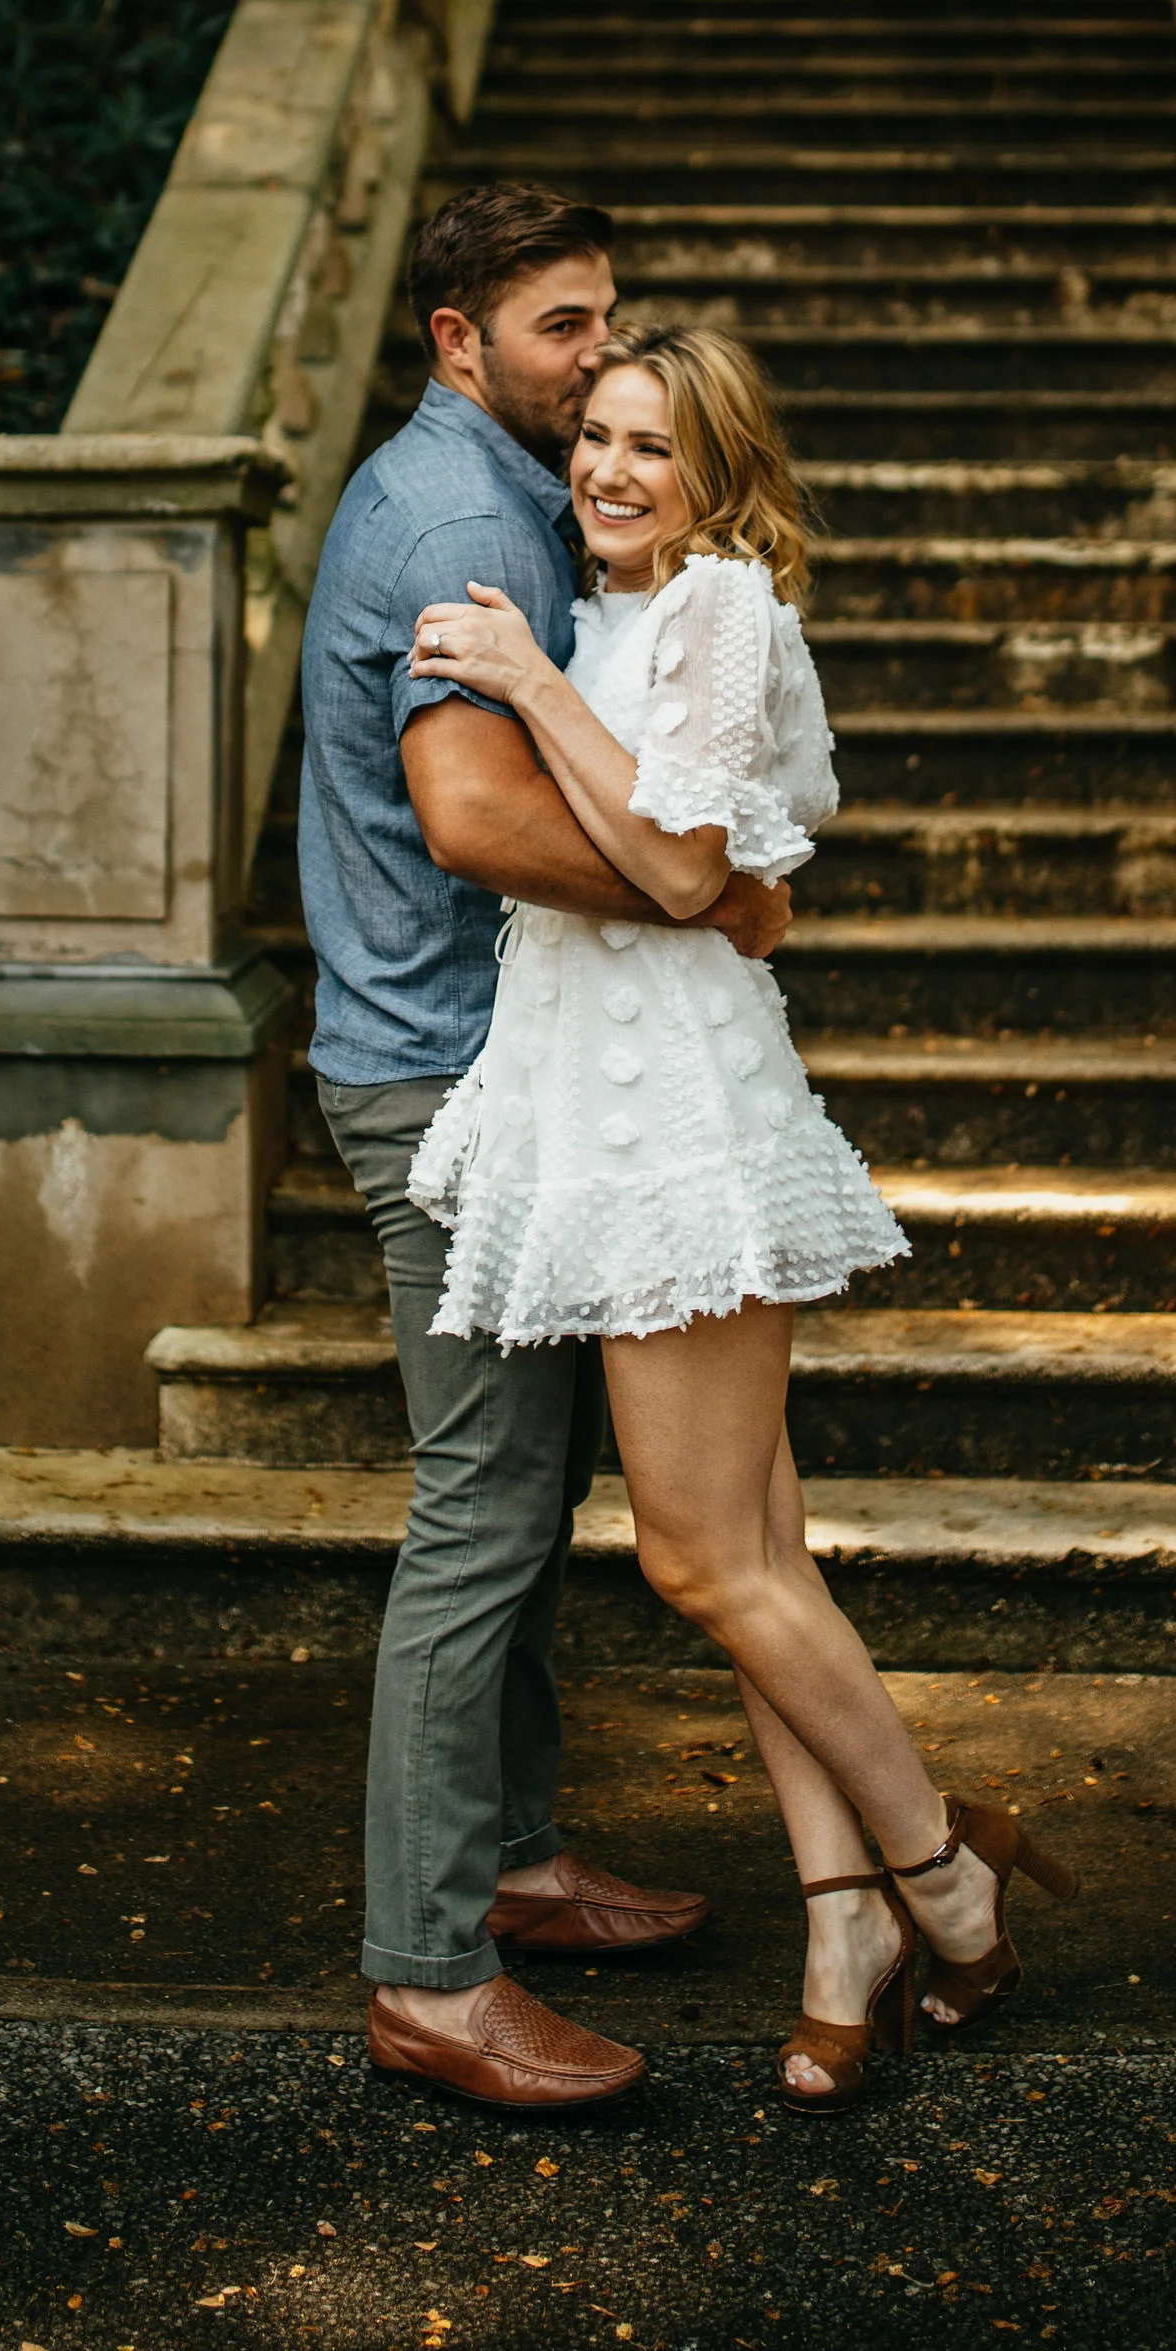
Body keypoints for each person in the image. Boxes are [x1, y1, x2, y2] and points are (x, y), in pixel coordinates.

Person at [406, 319, 1079, 2114]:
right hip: (595, 1087)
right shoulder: (622, 614)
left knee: (701, 1560)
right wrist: (559, 674)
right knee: (758, 1561)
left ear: (716, 477)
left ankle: (945, 1865)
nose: (611, 472)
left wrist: (529, 688)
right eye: (598, 439)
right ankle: (845, 1918)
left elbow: (697, 869)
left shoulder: (718, 610)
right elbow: (713, 871)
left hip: (675, 1115)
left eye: (654, 448)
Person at [299, 184, 799, 2113]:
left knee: (525, 1489)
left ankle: (512, 1866)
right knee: (482, 1514)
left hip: (488, 1068)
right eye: (563, 328)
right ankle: (429, 1980)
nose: (602, 358)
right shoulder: (452, 513)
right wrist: (708, 898)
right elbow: (472, 820)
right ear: (457, 339)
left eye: (609, 320)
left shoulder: (512, 488)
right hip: (438, 1081)